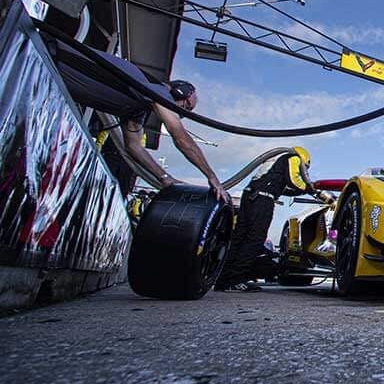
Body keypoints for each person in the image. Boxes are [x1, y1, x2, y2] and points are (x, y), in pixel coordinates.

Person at [45, 36, 228, 201]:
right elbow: (180, 136)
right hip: (47, 52)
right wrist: (211, 176)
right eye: (186, 106)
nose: (181, 113)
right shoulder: (157, 91)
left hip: (48, 73)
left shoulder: (138, 108)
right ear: (180, 93)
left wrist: (165, 178)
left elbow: (134, 147)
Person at [216, 146, 316, 292]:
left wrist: (306, 192)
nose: (304, 171)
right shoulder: (293, 158)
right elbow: (294, 181)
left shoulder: (276, 163)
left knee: (239, 238)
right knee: (255, 239)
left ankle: (223, 280)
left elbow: (285, 189)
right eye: (305, 168)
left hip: (250, 196)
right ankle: (237, 279)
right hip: (262, 200)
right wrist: (310, 187)